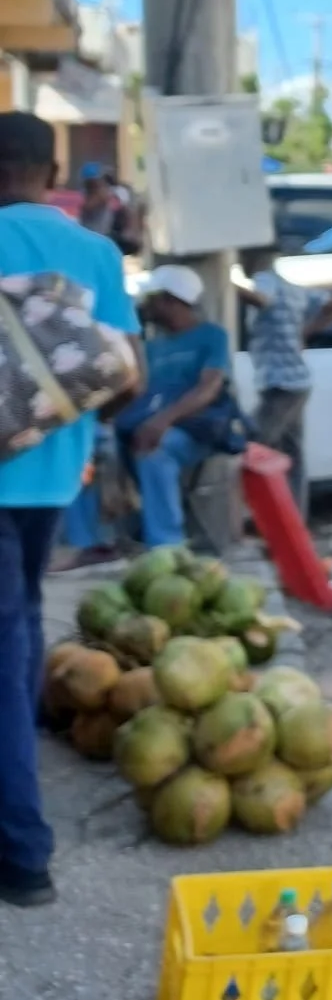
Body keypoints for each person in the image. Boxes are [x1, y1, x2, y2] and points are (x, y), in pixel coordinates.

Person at [0, 113, 140, 908]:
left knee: (11, 637)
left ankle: (24, 854)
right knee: (19, 625)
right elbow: (125, 378)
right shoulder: (95, 252)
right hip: (52, 480)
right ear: (52, 172)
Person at [116, 265, 232, 548]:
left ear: (170, 300)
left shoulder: (212, 336)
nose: (144, 306)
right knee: (99, 448)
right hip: (152, 424)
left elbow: (208, 388)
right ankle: (99, 542)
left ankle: (166, 545)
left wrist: (162, 421)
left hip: (196, 428)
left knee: (156, 452)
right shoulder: (152, 346)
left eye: (151, 300)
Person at [237, 247, 332, 518]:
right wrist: (305, 332)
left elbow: (261, 299)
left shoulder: (265, 281)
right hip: (296, 380)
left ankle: (257, 514)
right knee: (292, 453)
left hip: (280, 383)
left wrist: (228, 288)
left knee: (253, 444)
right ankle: (293, 516)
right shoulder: (293, 289)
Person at [76, 162, 140, 255]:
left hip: (103, 236)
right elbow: (96, 201)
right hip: (94, 239)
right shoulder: (92, 196)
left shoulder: (104, 193)